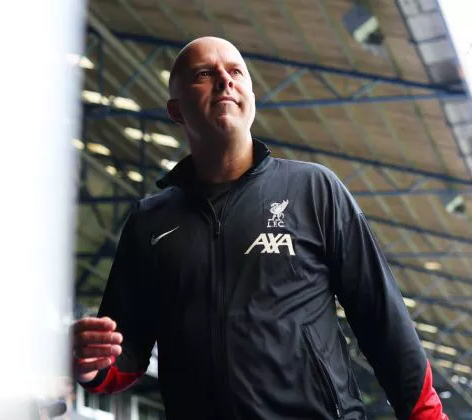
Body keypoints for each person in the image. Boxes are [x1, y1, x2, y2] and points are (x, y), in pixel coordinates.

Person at [72, 36, 448, 420]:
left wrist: (426, 415)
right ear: (176, 110)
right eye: (205, 74)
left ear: (251, 96)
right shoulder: (150, 221)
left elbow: (383, 319)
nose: (224, 81)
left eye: (235, 72)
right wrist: (91, 363)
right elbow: (124, 353)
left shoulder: (314, 190)